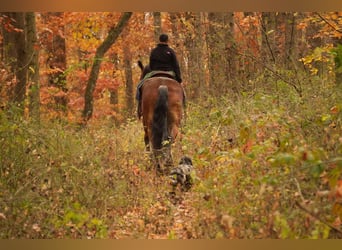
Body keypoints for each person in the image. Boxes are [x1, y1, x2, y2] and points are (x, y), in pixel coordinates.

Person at [136, 33, 183, 118]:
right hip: (170, 73)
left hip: (155, 72)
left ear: (159, 40)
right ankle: (182, 111)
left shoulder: (154, 51)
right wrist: (179, 79)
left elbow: (151, 64)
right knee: (182, 90)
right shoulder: (171, 51)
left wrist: (154, 71)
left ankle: (139, 107)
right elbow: (176, 65)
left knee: (139, 86)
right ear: (167, 40)